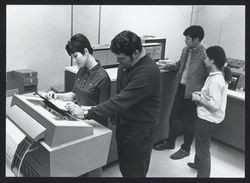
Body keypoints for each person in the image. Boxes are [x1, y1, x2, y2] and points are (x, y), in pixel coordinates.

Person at [66, 30, 161, 177]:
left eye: (121, 58)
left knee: (135, 172)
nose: (118, 62)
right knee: (125, 167)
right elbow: (120, 93)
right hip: (124, 125)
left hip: (139, 131)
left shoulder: (148, 71)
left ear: (135, 53)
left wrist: (86, 112)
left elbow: (120, 101)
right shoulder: (125, 65)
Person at [45, 33, 111, 176]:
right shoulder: (81, 71)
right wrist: (57, 96)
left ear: (86, 52)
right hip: (79, 125)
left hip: (95, 130)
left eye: (76, 56)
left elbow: (103, 111)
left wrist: (81, 110)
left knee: (92, 169)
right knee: (79, 167)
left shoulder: (103, 77)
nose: (74, 60)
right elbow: (74, 94)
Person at [153, 25, 208, 160]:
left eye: (188, 39)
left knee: (190, 122)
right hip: (181, 88)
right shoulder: (186, 50)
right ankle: (170, 142)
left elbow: (209, 74)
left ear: (196, 39)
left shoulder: (205, 53)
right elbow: (180, 65)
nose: (185, 41)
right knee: (173, 117)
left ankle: (185, 149)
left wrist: (201, 92)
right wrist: (166, 65)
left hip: (195, 93)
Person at [188, 46, 232, 177]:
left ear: (212, 60)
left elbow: (214, 105)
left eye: (206, 57)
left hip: (207, 119)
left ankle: (203, 175)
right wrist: (200, 94)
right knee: (201, 144)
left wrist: (198, 99)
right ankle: (198, 164)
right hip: (206, 117)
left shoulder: (215, 80)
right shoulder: (215, 76)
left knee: (203, 149)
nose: (204, 59)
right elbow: (211, 96)